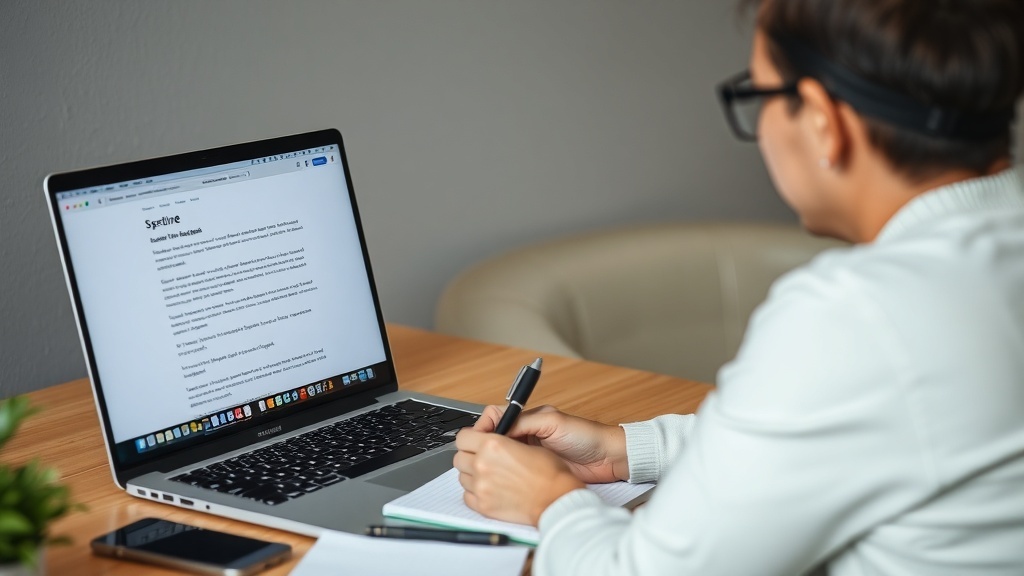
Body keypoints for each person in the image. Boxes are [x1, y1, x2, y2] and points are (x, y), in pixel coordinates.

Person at [453, 0, 1024, 574]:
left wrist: (552, 504)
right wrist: (619, 452)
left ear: (824, 121)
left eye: (760, 94)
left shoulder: (858, 314)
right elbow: (837, 432)